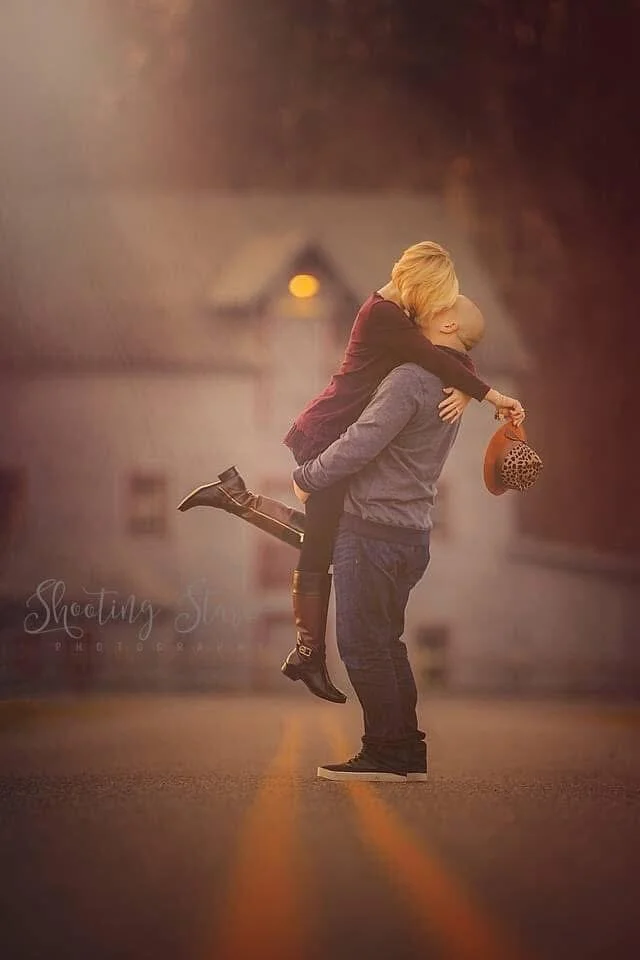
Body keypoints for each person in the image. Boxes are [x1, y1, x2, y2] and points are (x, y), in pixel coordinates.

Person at [178, 242, 524, 704]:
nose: (437, 307)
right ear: (422, 284)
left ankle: (237, 501)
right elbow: (436, 355)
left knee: (330, 541)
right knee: (322, 547)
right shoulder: (382, 314)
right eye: (437, 296)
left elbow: (445, 353)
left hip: (332, 430)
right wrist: (488, 394)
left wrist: (466, 386)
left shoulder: (400, 316)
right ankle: (307, 653)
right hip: (325, 433)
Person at [293, 295, 486, 781]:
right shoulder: (452, 386)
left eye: (434, 308)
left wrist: (308, 477)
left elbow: (361, 441)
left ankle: (386, 751)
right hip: (410, 533)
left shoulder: (411, 379)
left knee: (362, 645)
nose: (414, 313)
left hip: (372, 532)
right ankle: (405, 749)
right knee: (386, 642)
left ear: (446, 324)